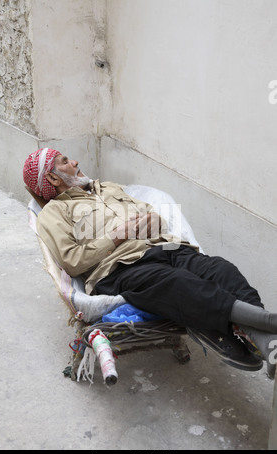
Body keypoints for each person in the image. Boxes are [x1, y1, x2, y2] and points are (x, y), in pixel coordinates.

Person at [23, 148, 277, 378]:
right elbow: (72, 262)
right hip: (121, 267)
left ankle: (265, 341)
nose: (75, 160)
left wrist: (154, 221)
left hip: (164, 246)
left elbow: (153, 215)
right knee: (180, 283)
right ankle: (267, 323)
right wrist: (116, 235)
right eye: (65, 161)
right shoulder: (53, 214)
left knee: (221, 269)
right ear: (54, 179)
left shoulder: (108, 188)